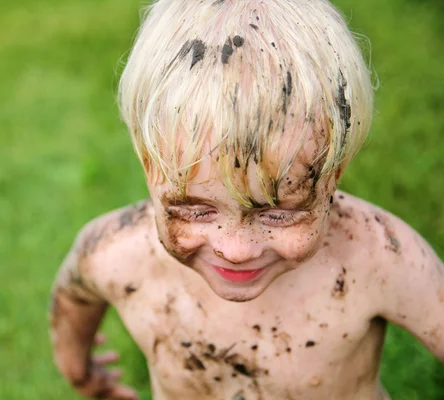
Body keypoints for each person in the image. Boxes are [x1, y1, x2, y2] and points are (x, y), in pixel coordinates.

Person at [49, 0, 444, 398]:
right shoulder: (117, 254)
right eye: (195, 209)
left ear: (334, 172)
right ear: (148, 164)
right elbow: (75, 293)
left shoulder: (377, 257)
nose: (235, 249)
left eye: (278, 214)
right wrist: (79, 369)